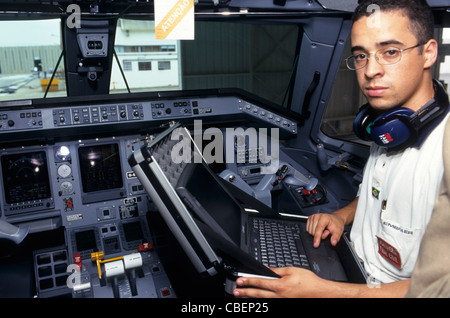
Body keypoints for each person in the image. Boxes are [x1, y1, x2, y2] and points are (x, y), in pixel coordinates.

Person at [233, 0, 450, 298]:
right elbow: (380, 196)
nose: (371, 70)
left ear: (428, 53)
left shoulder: (443, 149)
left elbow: (439, 290)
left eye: (390, 52)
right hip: (349, 268)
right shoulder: (389, 127)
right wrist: (342, 216)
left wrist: (324, 291)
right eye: (361, 55)